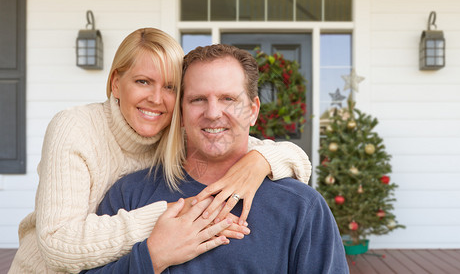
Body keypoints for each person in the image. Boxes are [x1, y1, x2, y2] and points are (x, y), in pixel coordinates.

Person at [9, 28, 311, 274]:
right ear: (116, 83)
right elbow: (58, 246)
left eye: (170, 87)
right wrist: (169, 216)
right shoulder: (75, 127)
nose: (157, 99)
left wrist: (260, 161)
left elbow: (240, 140)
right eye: (143, 81)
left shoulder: (175, 130)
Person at [83, 44, 348, 273]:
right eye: (198, 99)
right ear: (182, 113)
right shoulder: (129, 195)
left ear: (253, 110)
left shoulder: (302, 207)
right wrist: (152, 258)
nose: (213, 113)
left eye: (228, 99)